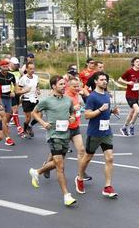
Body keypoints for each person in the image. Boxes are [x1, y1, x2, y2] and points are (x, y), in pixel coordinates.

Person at [28, 75, 78, 207]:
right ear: (54, 86)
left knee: (57, 164)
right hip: (53, 135)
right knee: (60, 166)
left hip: (65, 135)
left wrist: (72, 118)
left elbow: (72, 113)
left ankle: (37, 172)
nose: (63, 86)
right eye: (61, 84)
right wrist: (43, 123)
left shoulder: (68, 100)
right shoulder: (47, 101)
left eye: (64, 84)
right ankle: (67, 195)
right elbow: (34, 113)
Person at [76, 72, 119, 198]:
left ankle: (107, 187)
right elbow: (87, 115)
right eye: (102, 80)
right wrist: (100, 110)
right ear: (96, 82)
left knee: (110, 158)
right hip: (94, 132)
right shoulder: (92, 97)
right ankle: (79, 177)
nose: (105, 82)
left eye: (106, 80)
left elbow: (105, 112)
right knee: (88, 157)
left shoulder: (106, 95)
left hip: (106, 132)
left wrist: (112, 111)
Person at [117, 57, 139, 136]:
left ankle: (124, 127)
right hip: (129, 95)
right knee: (138, 110)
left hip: (136, 95)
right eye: (137, 62)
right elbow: (119, 79)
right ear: (133, 63)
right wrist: (128, 82)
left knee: (131, 114)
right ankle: (132, 125)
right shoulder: (129, 71)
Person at [0, 59, 18, 146]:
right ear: (0, 67)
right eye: (3, 66)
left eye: (6, 66)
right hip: (0, 98)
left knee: (10, 113)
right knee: (3, 117)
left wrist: (13, 92)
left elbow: (15, 85)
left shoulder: (11, 76)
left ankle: (4, 126)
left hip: (8, 98)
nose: (5, 68)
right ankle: (7, 137)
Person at [18, 62, 40, 138]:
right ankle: (24, 130)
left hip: (35, 98)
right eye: (30, 69)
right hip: (27, 100)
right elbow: (18, 91)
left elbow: (37, 86)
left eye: (33, 68)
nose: (32, 70)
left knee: (39, 115)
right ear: (26, 69)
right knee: (28, 118)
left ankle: (30, 126)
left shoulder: (36, 77)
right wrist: (24, 91)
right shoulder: (23, 79)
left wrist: (38, 90)